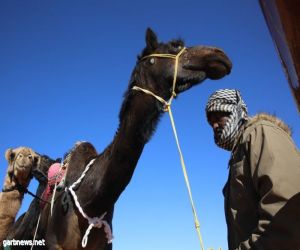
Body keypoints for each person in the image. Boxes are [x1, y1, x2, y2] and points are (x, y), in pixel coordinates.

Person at [205, 89, 300, 250]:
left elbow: (285, 218)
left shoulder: (261, 133)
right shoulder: (238, 153)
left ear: (235, 112)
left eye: (218, 116)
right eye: (210, 121)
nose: (214, 125)